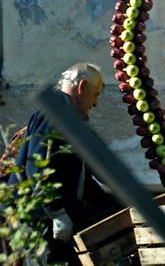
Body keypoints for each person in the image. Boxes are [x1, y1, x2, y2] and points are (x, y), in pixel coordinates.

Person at [8, 63, 119, 264]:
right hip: (43, 219)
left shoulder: (68, 118)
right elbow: (38, 166)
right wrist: (57, 213)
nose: (95, 104)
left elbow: (79, 178)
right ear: (82, 87)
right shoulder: (55, 113)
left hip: (52, 218)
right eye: (96, 95)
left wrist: (113, 208)